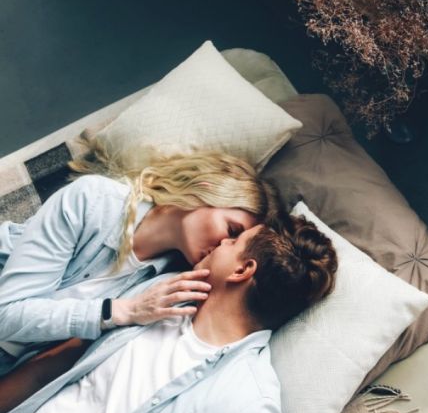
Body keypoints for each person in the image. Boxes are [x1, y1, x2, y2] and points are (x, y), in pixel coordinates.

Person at [0, 215, 338, 413]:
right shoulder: (161, 293)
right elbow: (50, 367)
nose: (221, 242)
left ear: (242, 269)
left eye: (234, 241)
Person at [0, 150, 279, 376]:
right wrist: (118, 311)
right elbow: (5, 314)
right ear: (208, 191)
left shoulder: (171, 282)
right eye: (231, 231)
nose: (223, 248)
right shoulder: (93, 201)